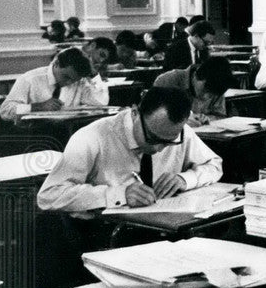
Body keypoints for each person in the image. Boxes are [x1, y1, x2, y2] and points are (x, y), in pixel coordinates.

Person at [36, 86, 222, 216]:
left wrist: (185, 179)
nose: (158, 149)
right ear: (135, 113)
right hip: (104, 234)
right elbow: (49, 195)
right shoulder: (91, 137)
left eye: (169, 142)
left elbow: (214, 165)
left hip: (164, 227)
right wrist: (118, 194)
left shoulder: (176, 131)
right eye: (153, 138)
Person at [0, 47, 108, 121]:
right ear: (56, 64)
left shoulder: (79, 80)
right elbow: (5, 111)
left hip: (66, 132)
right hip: (32, 134)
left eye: (74, 80)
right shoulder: (30, 79)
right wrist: (37, 107)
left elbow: (101, 103)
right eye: (66, 77)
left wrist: (94, 75)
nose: (68, 83)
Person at [153, 55, 234, 126]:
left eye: (211, 95)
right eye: (205, 91)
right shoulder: (167, 81)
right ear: (196, 76)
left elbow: (220, 116)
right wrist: (179, 121)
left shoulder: (218, 84)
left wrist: (208, 119)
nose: (206, 97)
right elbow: (151, 116)